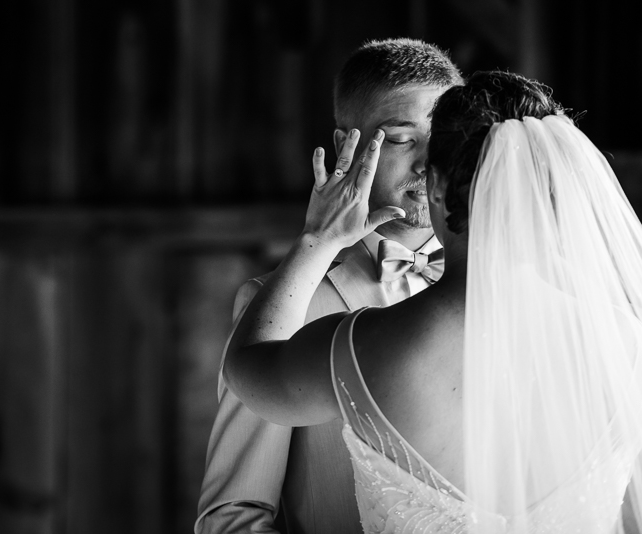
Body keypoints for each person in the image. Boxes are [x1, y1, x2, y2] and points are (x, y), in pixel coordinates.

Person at [223, 70, 642, 533]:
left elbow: (249, 369)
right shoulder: (638, 345)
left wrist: (317, 240)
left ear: (437, 187)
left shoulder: (362, 347)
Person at [195, 39, 463, 533]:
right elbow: (232, 519)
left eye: (443, 139)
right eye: (402, 140)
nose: (429, 164)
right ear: (348, 145)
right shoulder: (283, 306)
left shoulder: (508, 291)